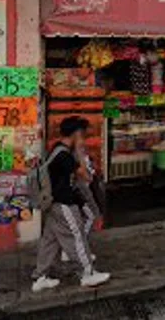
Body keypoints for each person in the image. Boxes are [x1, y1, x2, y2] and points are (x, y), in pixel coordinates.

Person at [32, 116, 110, 293]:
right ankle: (87, 274)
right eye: (82, 135)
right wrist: (80, 153)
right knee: (76, 236)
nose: (83, 139)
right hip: (63, 203)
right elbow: (86, 176)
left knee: (49, 241)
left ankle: (40, 277)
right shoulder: (65, 155)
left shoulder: (56, 150)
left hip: (53, 203)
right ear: (76, 134)